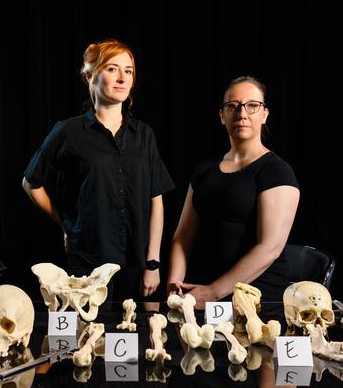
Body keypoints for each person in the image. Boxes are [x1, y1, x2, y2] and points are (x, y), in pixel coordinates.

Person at [22, 39, 174, 302]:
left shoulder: (144, 135)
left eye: (128, 71)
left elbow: (156, 201)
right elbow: (30, 183)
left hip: (136, 263)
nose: (122, 77)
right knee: (90, 338)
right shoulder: (68, 131)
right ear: (90, 75)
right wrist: (66, 225)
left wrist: (153, 263)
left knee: (134, 338)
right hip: (87, 262)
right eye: (112, 68)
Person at [167, 76, 300, 317]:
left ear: (265, 114)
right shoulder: (204, 170)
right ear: (222, 115)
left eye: (252, 105)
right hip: (199, 291)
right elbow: (182, 236)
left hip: (254, 297)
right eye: (233, 106)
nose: (242, 113)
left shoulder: (277, 171)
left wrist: (214, 292)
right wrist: (174, 287)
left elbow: (270, 247)